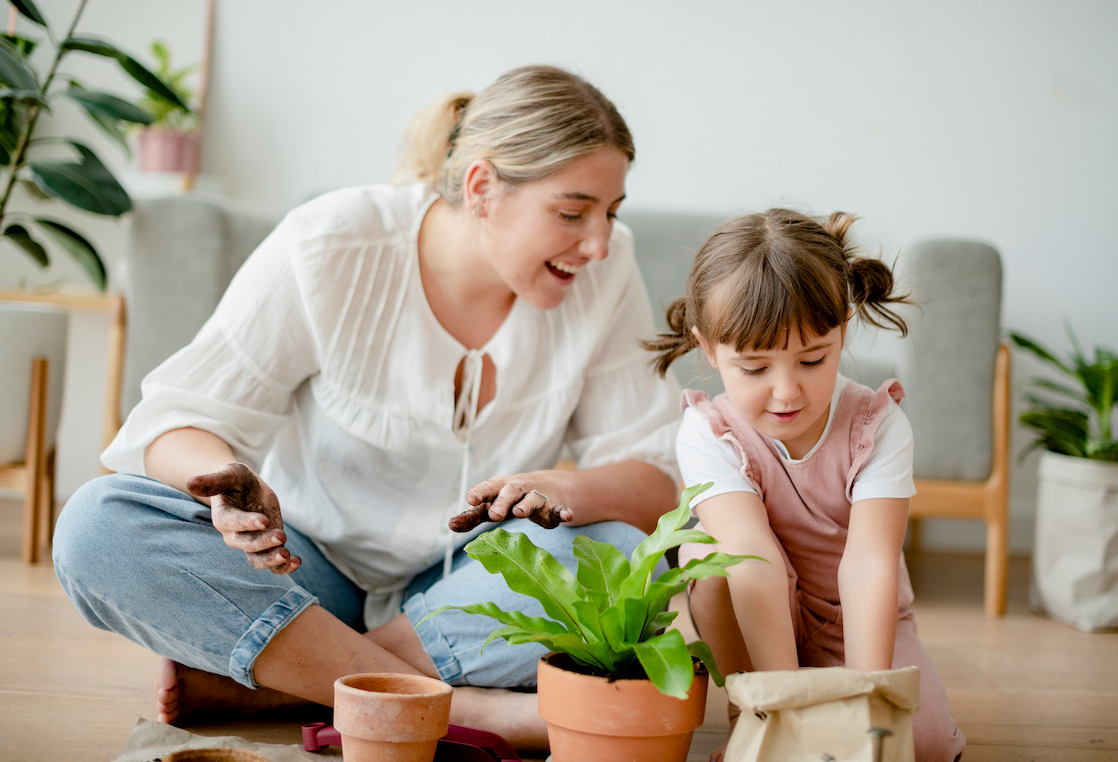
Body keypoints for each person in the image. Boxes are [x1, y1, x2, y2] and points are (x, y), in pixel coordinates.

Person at [52, 65, 681, 750]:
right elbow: (178, 418)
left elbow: (655, 477)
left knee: (633, 558)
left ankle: (294, 677)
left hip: (475, 581)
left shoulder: (607, 267)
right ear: (481, 187)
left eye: (610, 213)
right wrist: (225, 484)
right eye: (572, 212)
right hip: (307, 574)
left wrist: (564, 486)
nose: (597, 242)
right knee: (97, 526)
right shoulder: (331, 242)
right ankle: (472, 710)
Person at [644, 208, 966, 761]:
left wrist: (868, 706)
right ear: (708, 348)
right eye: (754, 369)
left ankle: (821, 704)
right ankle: (755, 707)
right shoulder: (707, 431)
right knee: (713, 559)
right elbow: (750, 556)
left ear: (842, 328)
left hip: (855, 619)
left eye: (812, 359)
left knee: (925, 746)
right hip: (758, 607)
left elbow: (869, 565)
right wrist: (784, 713)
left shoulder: (878, 425)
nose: (787, 392)